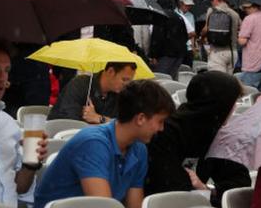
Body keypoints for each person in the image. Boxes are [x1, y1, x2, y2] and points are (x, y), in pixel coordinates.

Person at [34, 80, 176, 208]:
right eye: (160, 121)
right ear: (141, 118)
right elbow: (103, 205)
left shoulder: (139, 149)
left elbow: (134, 205)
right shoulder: (93, 144)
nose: (161, 129)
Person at [144, 71, 250, 207]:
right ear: (219, 104)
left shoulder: (218, 133)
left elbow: (241, 181)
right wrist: (202, 191)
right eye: (233, 102)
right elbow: (168, 184)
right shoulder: (165, 131)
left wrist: (208, 189)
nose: (235, 107)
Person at [0, 38, 48, 205]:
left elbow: (19, 187)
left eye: (6, 70)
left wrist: (31, 164)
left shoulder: (8, 125)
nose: (2, 77)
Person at [49, 62, 137, 124]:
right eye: (124, 80)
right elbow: (69, 122)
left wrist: (99, 118)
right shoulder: (80, 85)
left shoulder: (120, 94)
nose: (127, 85)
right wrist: (106, 123)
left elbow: (124, 126)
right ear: (111, 71)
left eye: (129, 81)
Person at [151, 0, 193, 79]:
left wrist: (153, 55)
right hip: (179, 54)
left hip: (165, 54)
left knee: (161, 79)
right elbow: (185, 35)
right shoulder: (179, 17)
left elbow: (157, 37)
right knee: (172, 78)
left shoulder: (160, 16)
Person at [238, 2, 261, 88]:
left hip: (252, 63)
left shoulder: (249, 19)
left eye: (246, 8)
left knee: (249, 94)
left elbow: (242, 41)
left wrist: (238, 36)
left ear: (252, 7)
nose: (245, 11)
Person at [202, 0, 241, 74]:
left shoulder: (211, 11)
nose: (212, 4)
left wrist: (202, 35)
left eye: (212, 1)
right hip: (232, 52)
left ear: (215, 0)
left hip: (217, 52)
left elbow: (205, 30)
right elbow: (241, 29)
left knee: (217, 81)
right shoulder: (235, 14)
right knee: (228, 81)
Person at [174, 0, 198, 67]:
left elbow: (193, 32)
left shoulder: (191, 15)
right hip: (178, 47)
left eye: (189, 6)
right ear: (181, 4)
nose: (188, 7)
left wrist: (193, 47)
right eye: (186, 5)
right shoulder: (175, 13)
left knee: (188, 66)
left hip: (188, 47)